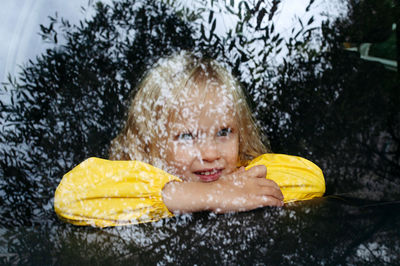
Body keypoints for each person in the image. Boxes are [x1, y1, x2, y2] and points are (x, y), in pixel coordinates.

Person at [54, 51, 325, 227]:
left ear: (241, 132)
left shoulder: (246, 173)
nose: (209, 153)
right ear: (150, 142)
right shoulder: (134, 179)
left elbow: (311, 178)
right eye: (186, 136)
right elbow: (71, 196)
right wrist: (214, 194)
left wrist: (237, 187)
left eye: (223, 132)